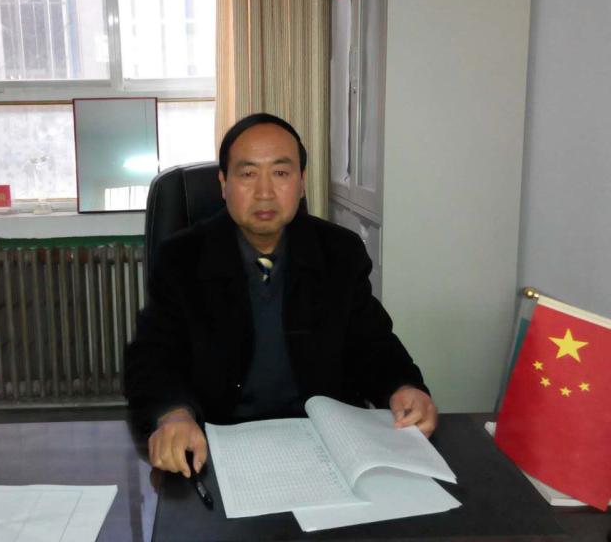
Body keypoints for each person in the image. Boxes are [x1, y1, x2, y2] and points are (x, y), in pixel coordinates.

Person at [124, 113, 437, 479]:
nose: (264, 192)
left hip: (326, 448)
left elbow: (373, 344)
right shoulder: (182, 258)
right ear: (224, 184)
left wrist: (404, 387)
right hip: (218, 446)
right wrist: (173, 414)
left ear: (301, 183)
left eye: (281, 173)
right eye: (247, 173)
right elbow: (152, 357)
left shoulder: (339, 252)